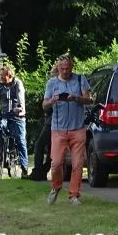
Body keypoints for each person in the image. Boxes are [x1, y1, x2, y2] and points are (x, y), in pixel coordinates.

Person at [42, 54, 94, 205]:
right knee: (56, 163)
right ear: (58, 67)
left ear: (72, 67)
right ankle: (56, 187)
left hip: (78, 128)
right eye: (62, 68)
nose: (65, 71)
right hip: (58, 129)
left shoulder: (80, 79)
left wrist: (76, 98)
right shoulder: (51, 83)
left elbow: (89, 99)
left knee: (77, 164)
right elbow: (44, 105)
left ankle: (74, 195)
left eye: (67, 68)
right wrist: (53, 100)